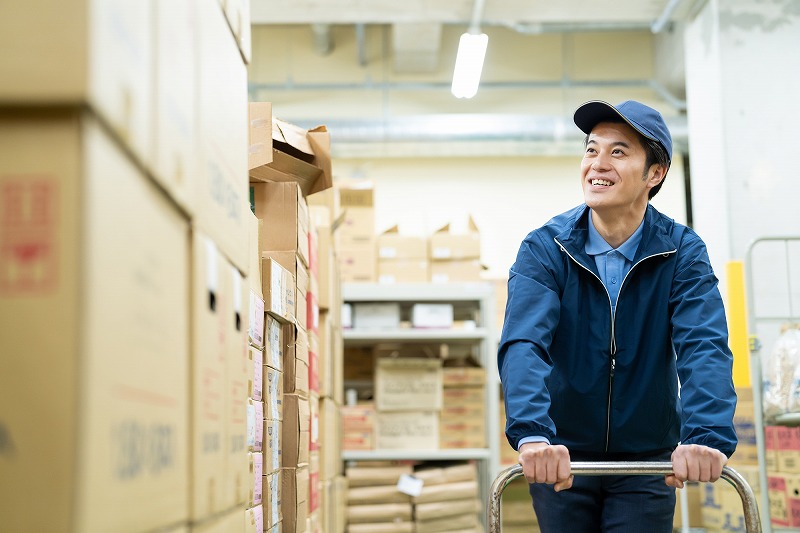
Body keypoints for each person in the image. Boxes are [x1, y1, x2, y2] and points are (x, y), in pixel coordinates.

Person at [497, 99, 738, 532]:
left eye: (618, 152)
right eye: (591, 149)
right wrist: (533, 433)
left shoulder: (681, 252)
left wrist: (706, 437)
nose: (597, 164)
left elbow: (703, 346)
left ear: (655, 174)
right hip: (561, 459)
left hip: (645, 460)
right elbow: (524, 344)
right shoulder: (546, 248)